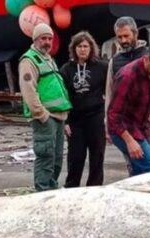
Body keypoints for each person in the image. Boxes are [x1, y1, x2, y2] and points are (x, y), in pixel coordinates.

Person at [105, 16, 150, 170]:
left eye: (126, 35)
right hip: (125, 122)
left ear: (135, 34)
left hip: (149, 118)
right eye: (120, 37)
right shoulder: (117, 64)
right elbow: (110, 94)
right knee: (136, 162)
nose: (123, 40)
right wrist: (107, 123)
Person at [19, 23, 72, 191]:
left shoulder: (48, 59)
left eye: (50, 38)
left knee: (56, 158)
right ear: (35, 39)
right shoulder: (29, 60)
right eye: (43, 38)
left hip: (58, 117)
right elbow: (28, 89)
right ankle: (43, 191)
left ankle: (52, 188)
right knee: (46, 156)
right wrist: (41, 115)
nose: (47, 42)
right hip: (45, 118)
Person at [59, 31, 108, 187]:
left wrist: (108, 117)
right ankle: (71, 187)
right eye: (79, 46)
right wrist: (65, 121)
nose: (83, 49)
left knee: (97, 155)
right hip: (75, 119)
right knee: (75, 156)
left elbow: (110, 91)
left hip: (96, 117)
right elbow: (62, 96)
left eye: (86, 46)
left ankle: (94, 187)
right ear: (74, 49)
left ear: (91, 48)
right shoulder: (66, 69)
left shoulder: (102, 67)